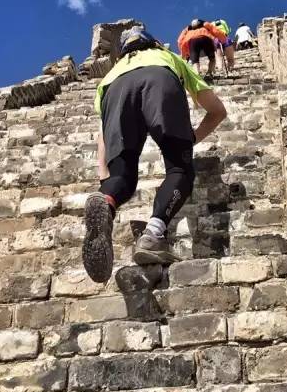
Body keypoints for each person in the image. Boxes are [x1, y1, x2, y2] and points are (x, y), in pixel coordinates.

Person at [83, 27, 227, 283]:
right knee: (179, 169)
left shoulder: (109, 76)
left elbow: (102, 135)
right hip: (160, 78)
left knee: (122, 177)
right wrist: (190, 139)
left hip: (116, 92)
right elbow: (217, 111)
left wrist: (104, 175)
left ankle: (106, 201)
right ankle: (153, 234)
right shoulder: (168, 57)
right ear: (155, 43)